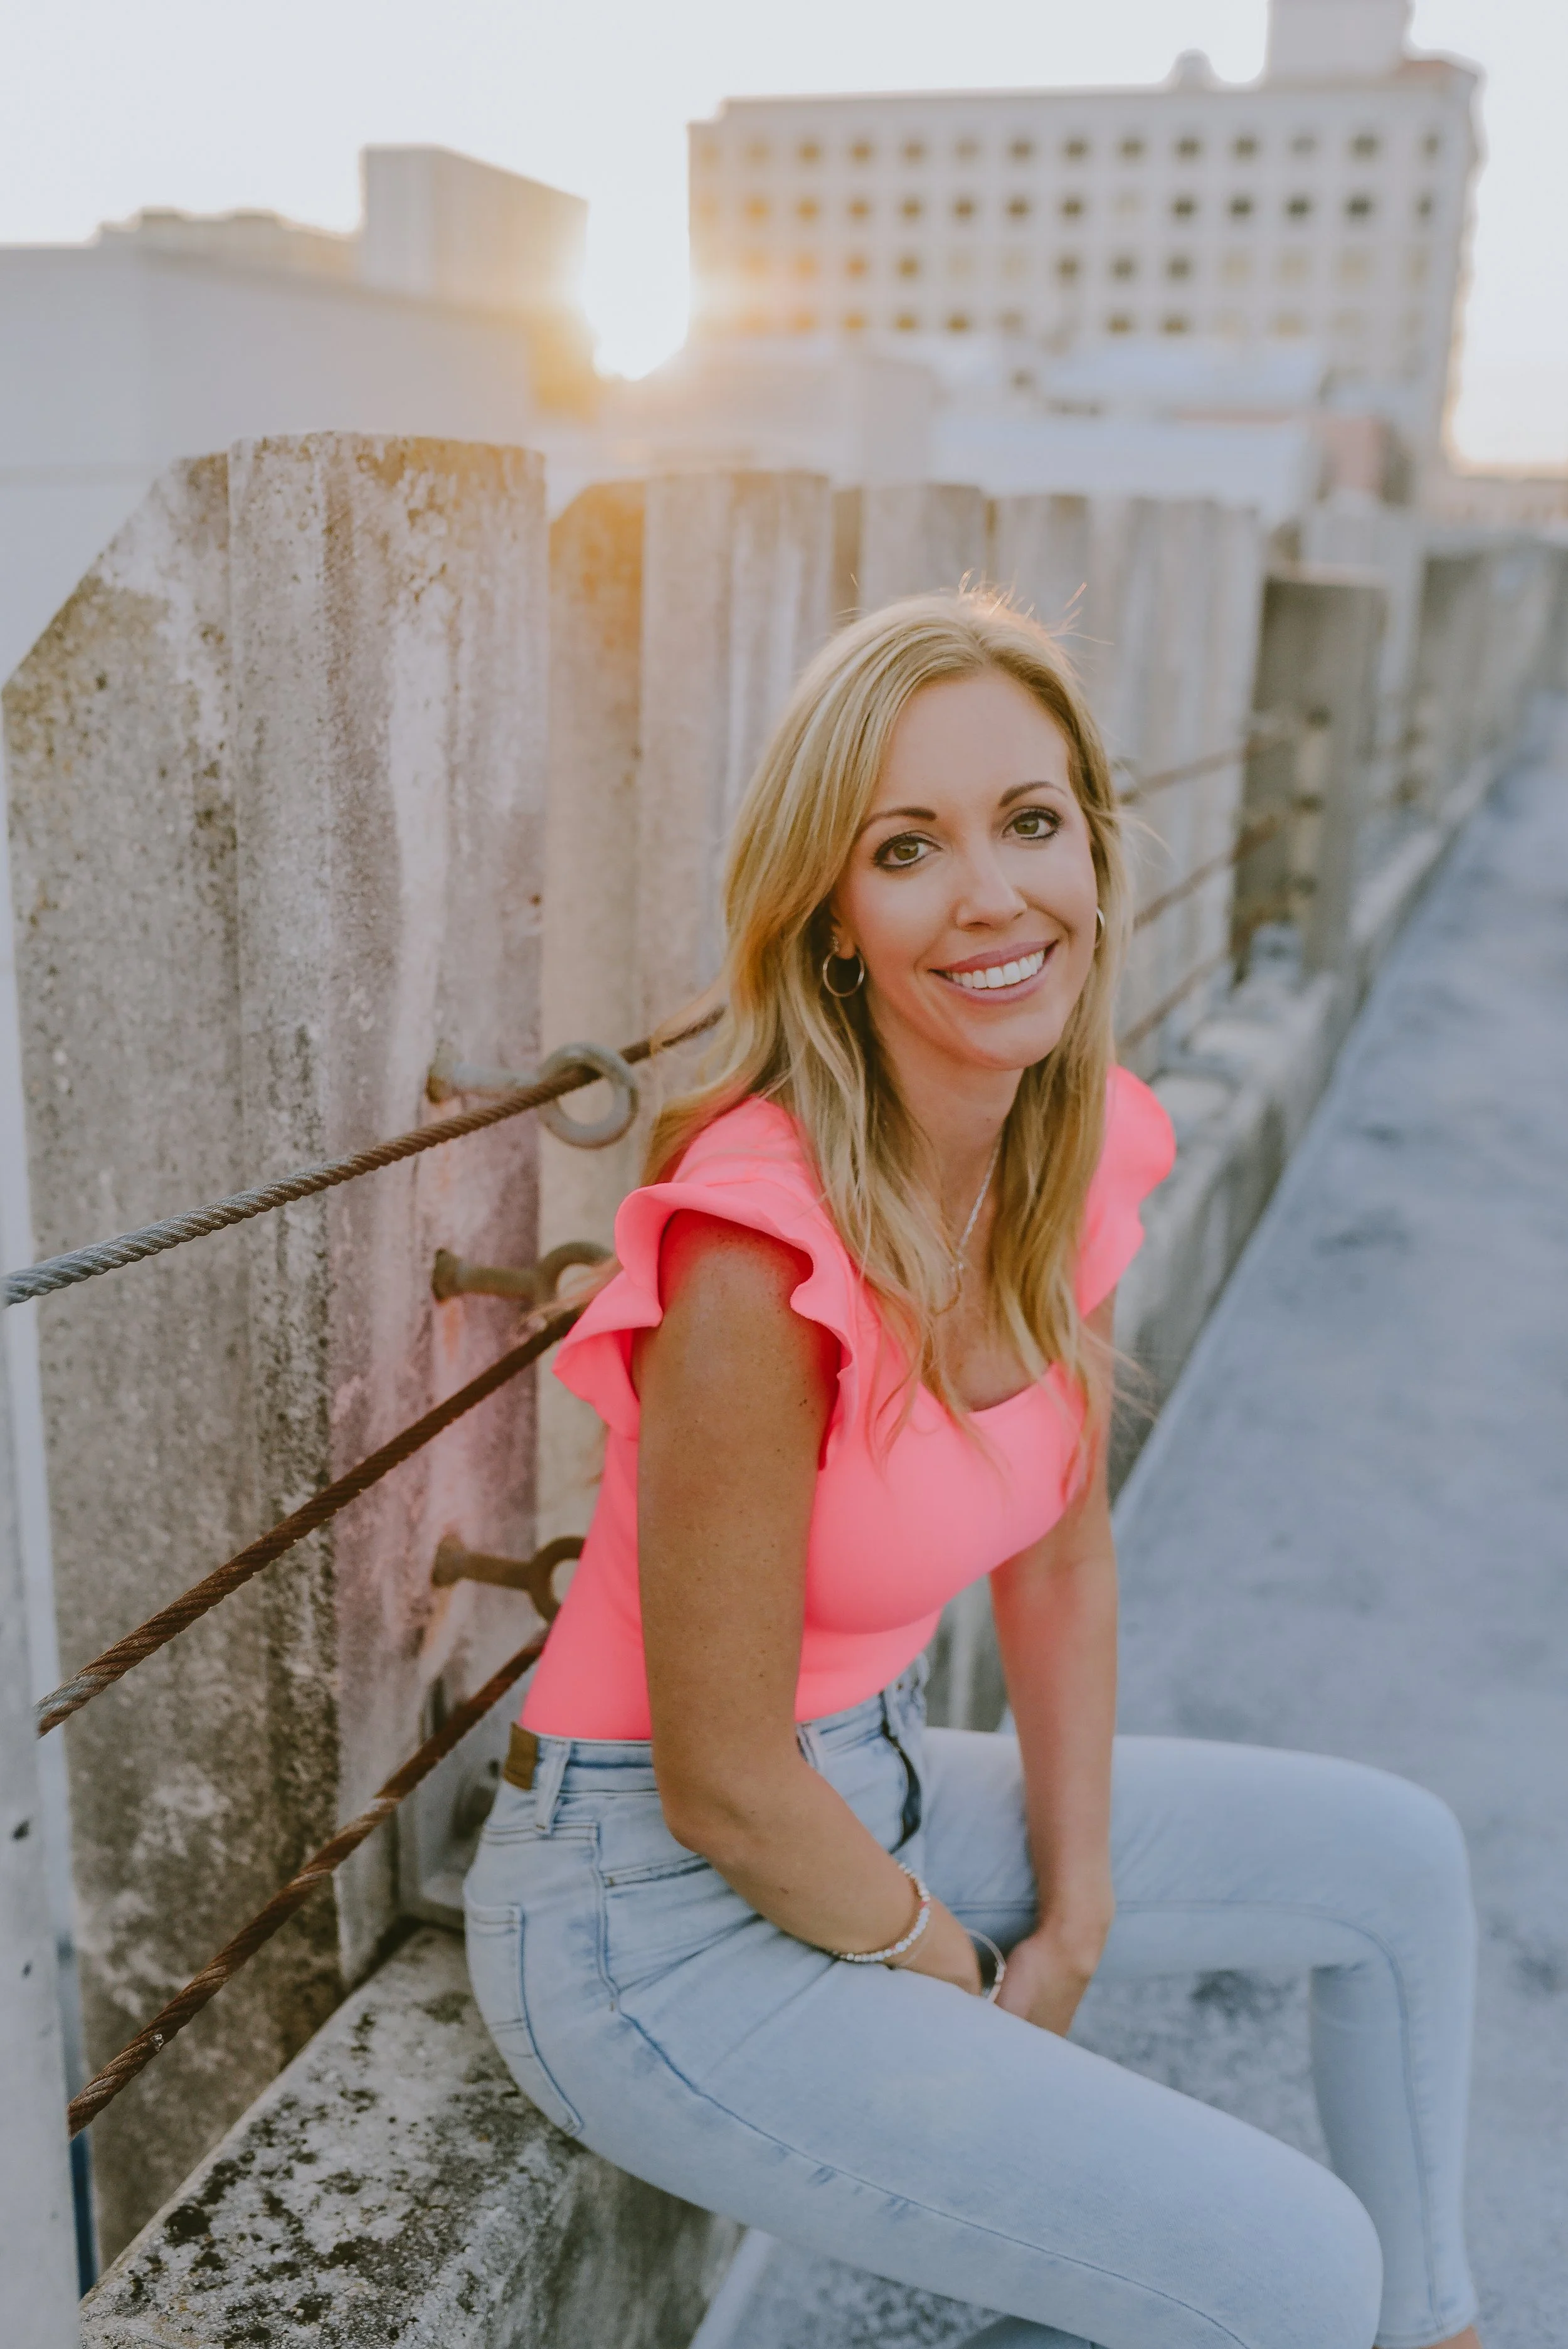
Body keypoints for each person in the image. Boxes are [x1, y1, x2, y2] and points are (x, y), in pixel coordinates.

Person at [464, 593, 1482, 2349]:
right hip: (644, 1916)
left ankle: (1442, 2329)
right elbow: (722, 1781)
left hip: (876, 1788)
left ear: (1093, 846)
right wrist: (959, 1964)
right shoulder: (757, 1249)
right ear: (834, 919)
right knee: (1290, 2269)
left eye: (1028, 820)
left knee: (1395, 1863)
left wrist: (1077, 1912)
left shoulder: (1059, 1160)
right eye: (907, 849)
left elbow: (1062, 1564)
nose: (993, 894)